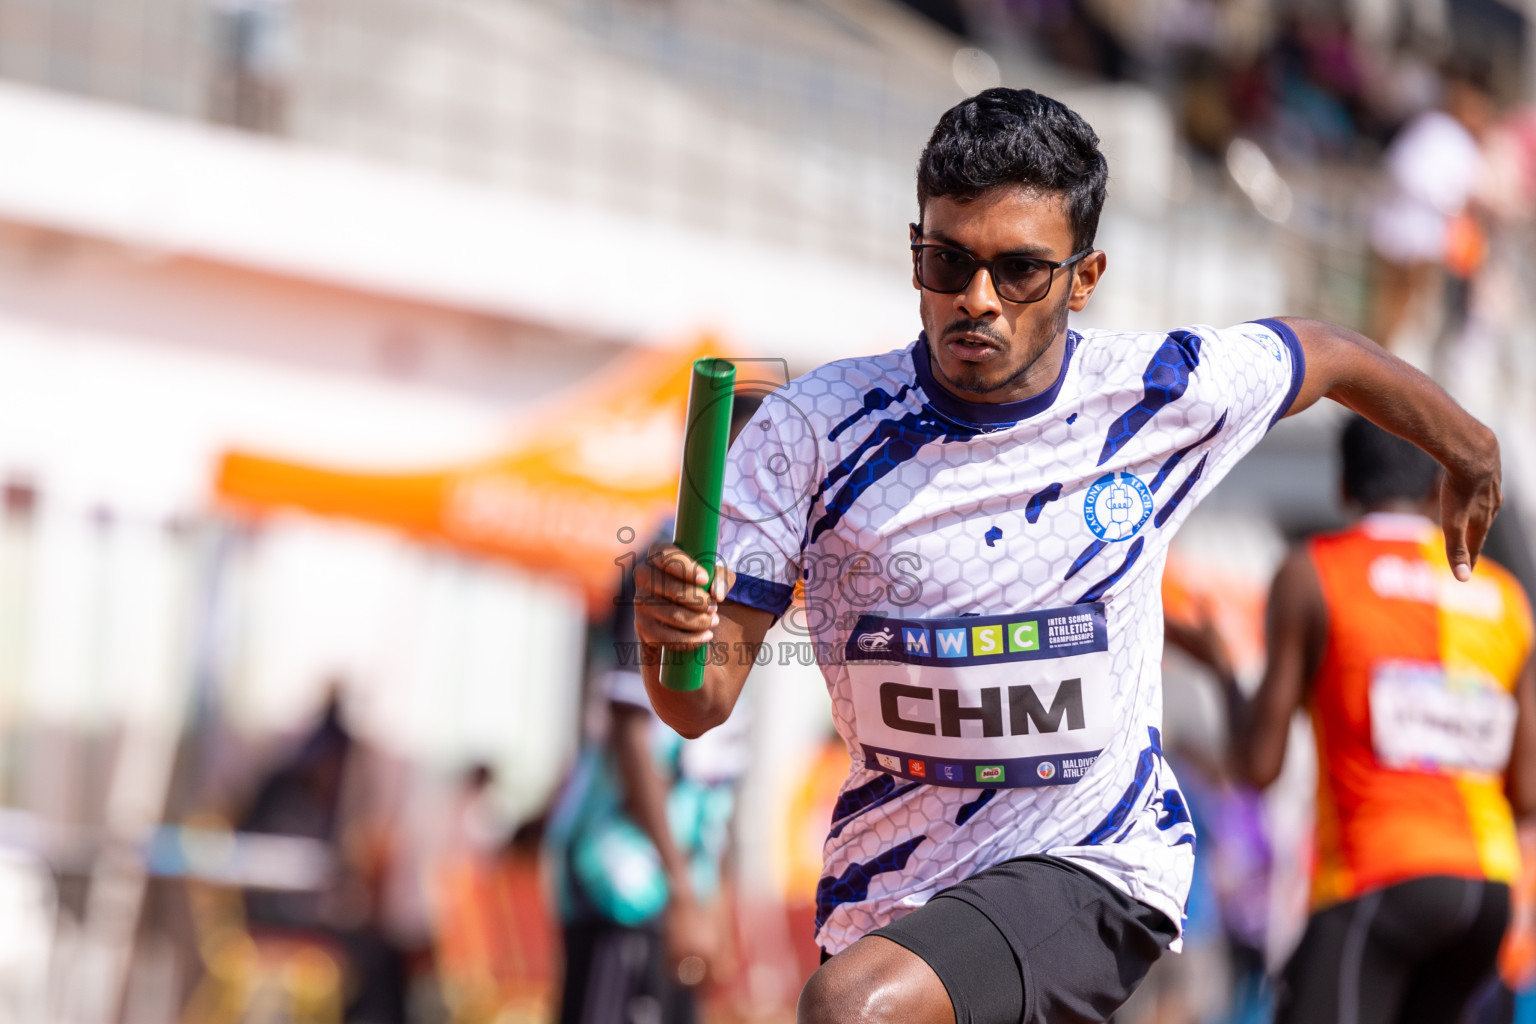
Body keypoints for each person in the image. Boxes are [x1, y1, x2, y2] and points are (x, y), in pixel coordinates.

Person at [632, 87, 1503, 1024]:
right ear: (914, 251)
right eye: (947, 261)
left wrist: (1471, 449)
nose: (976, 301)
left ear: (1083, 278)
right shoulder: (813, 427)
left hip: (1096, 860)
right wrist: (670, 638)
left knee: (850, 1010)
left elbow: (1327, 352)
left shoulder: (1157, 394)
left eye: (1019, 272)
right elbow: (697, 705)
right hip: (890, 892)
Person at [1218, 416, 1536, 1024]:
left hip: (1378, 873)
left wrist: (1224, 674)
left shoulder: (1315, 573)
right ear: (1433, 491)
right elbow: (1526, 794)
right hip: (1488, 892)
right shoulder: (1503, 597)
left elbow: (1257, 768)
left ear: (1343, 486)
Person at [545, 398, 761, 1024]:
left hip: (674, 886)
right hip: (625, 880)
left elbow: (715, 767)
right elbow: (631, 731)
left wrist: (712, 895)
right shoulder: (668, 559)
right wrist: (683, 891)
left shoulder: (748, 569)